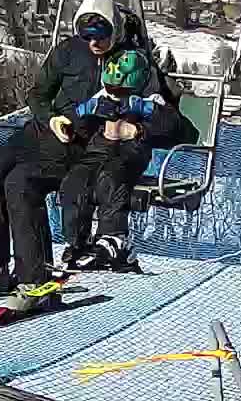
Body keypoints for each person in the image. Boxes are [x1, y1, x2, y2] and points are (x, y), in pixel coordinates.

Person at [0, 0, 132, 317]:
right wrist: (50, 118)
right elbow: (37, 95)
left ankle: (37, 282)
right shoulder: (68, 52)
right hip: (46, 130)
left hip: (81, 145)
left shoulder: (129, 62)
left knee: (21, 183)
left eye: (101, 37)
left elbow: (141, 107)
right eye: (87, 37)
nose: (94, 44)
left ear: (114, 31)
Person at [57, 47, 192, 271]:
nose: (114, 95)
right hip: (98, 150)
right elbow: (77, 116)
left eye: (120, 91)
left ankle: (114, 238)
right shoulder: (101, 98)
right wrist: (81, 117)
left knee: (111, 176)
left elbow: (175, 127)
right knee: (75, 180)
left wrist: (139, 127)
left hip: (130, 153)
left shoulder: (151, 100)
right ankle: (77, 240)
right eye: (110, 89)